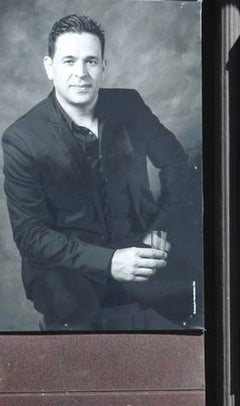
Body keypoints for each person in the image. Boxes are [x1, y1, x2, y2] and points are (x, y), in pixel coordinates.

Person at [3, 13, 198, 330]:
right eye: (69, 61)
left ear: (103, 66)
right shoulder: (22, 138)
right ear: (49, 67)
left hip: (140, 251)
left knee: (199, 305)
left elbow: (177, 163)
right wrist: (109, 262)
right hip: (69, 274)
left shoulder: (129, 104)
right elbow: (30, 236)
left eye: (90, 61)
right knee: (91, 355)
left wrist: (163, 227)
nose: (81, 73)